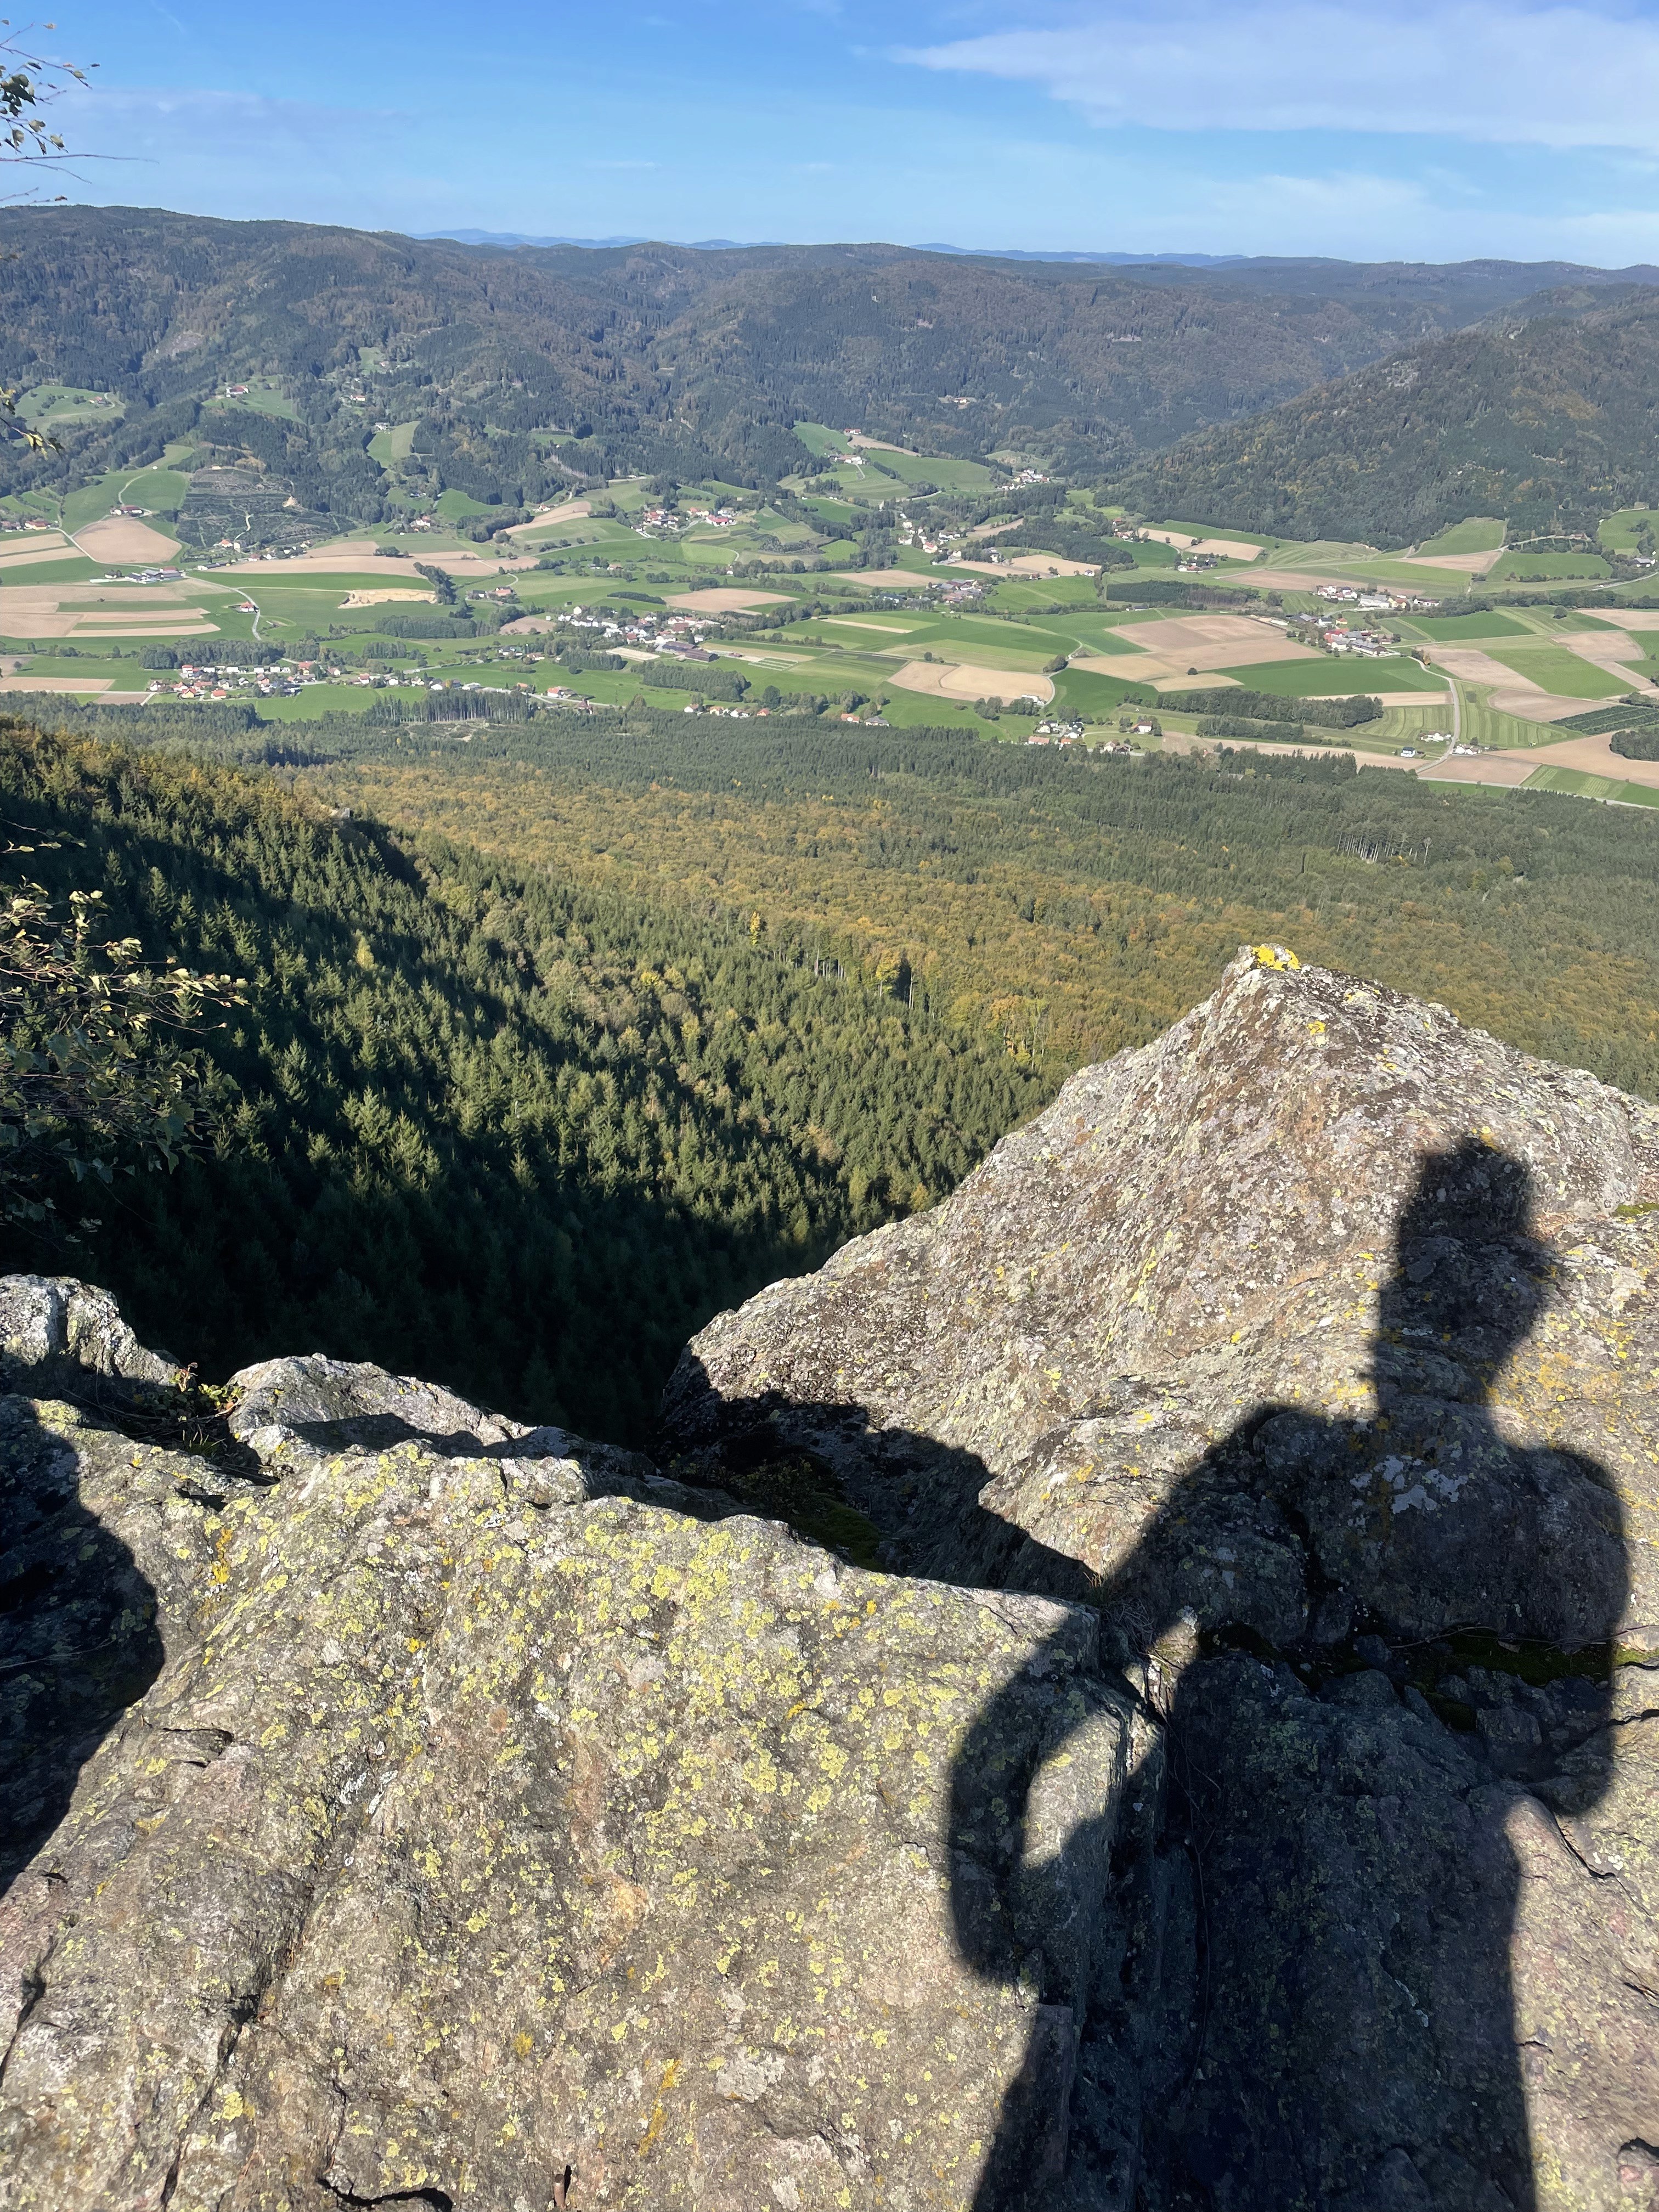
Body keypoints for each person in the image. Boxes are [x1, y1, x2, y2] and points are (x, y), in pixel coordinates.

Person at [950, 1138, 1628, 2211]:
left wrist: (991, 1893)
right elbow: (1582, 1782)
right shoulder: (1574, 1495)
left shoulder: (1299, 1443)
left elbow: (1105, 1633)